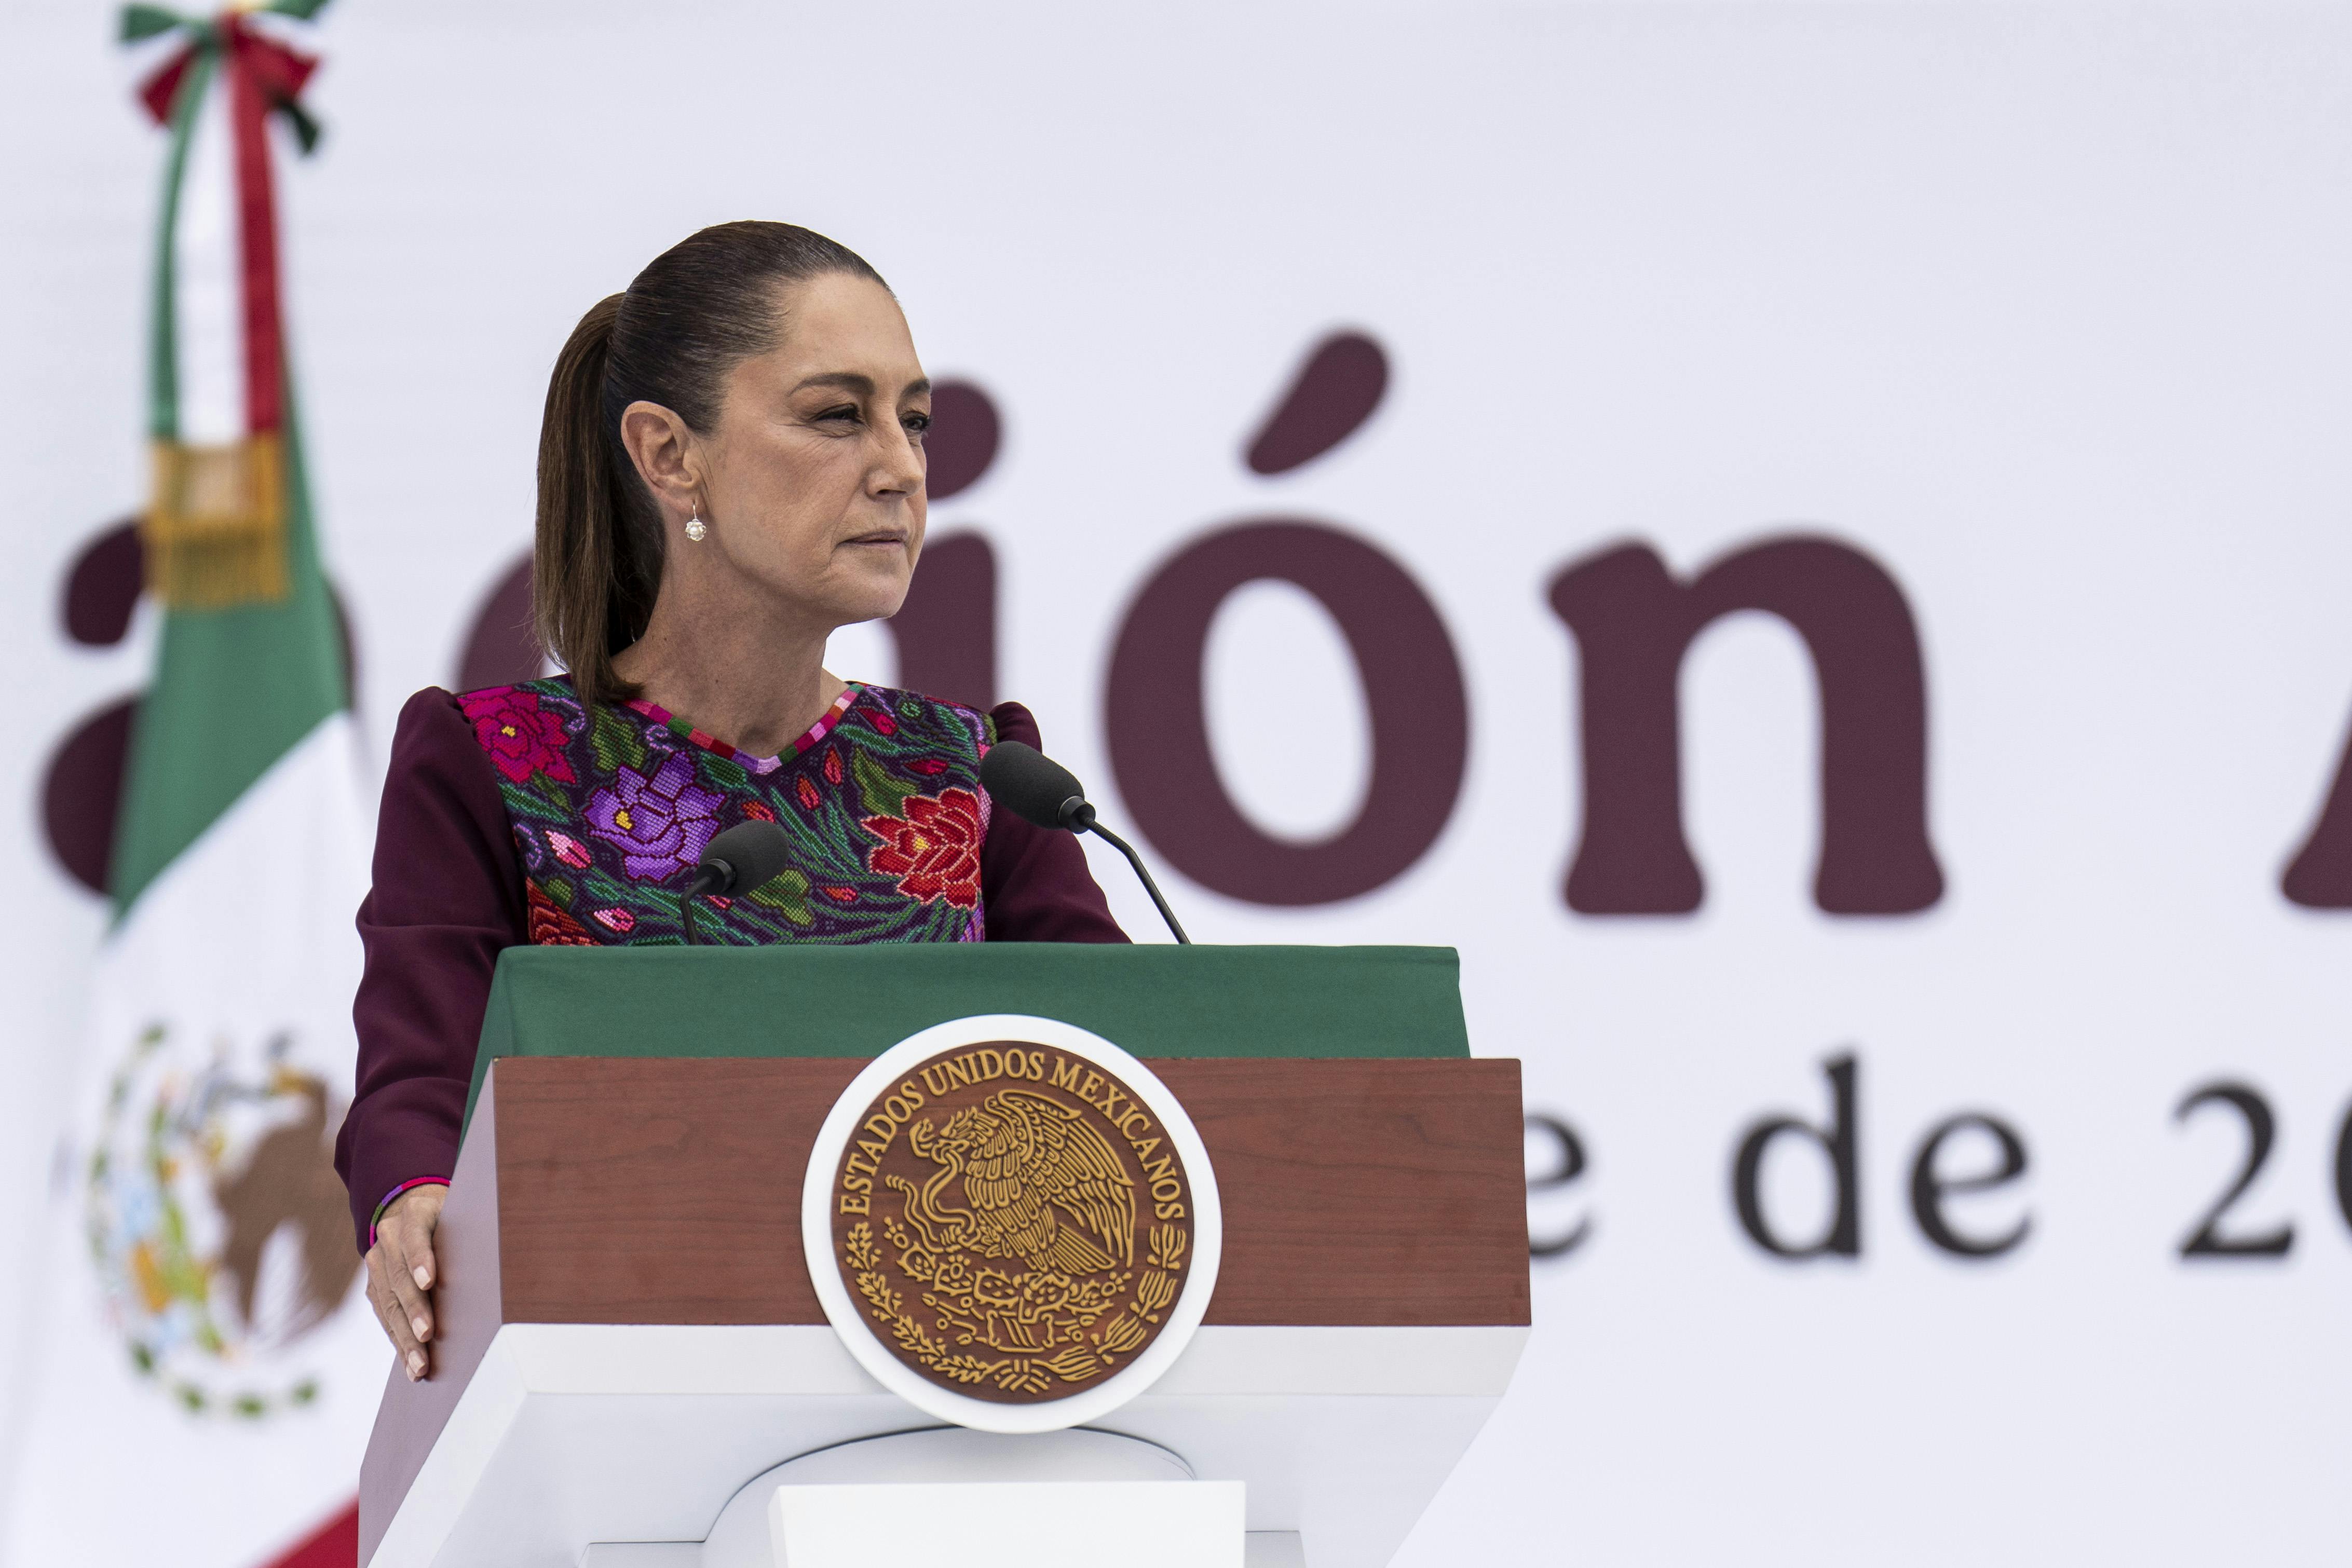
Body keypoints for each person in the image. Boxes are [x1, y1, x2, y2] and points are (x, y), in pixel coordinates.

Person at [335, 222, 1126, 1383]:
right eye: (835, 414)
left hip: (954, 1398)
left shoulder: (975, 774)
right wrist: (416, 1199)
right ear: (668, 454)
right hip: (610, 1381)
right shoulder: (493, 760)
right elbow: (420, 1078)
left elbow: (1134, 1073)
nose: (902, 467)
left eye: (913, 418)